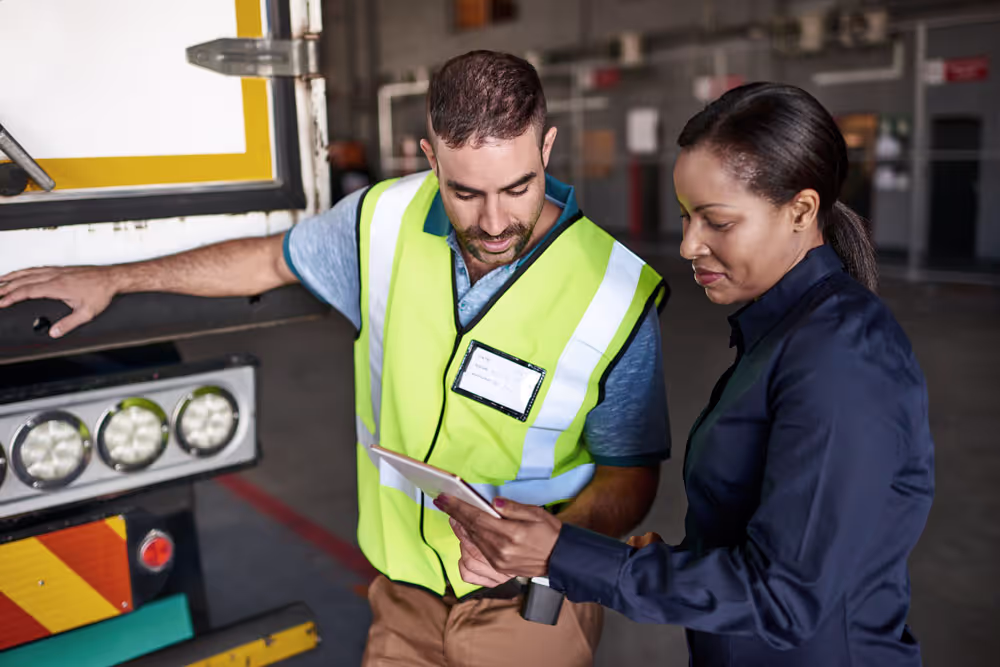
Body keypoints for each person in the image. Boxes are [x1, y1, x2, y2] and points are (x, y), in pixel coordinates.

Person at [0, 50, 671, 667]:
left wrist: (554, 538)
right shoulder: (381, 220)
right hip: (402, 602)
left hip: (533, 610)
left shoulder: (614, 294)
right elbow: (266, 259)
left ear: (547, 148)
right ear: (430, 156)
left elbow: (632, 476)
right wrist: (116, 276)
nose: (494, 221)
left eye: (518, 187)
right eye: (466, 192)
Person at [440, 82, 935, 667]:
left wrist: (563, 556)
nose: (689, 244)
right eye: (685, 217)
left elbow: (788, 597)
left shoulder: (843, 356)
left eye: (717, 222)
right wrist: (677, 560)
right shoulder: (780, 335)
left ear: (801, 211)